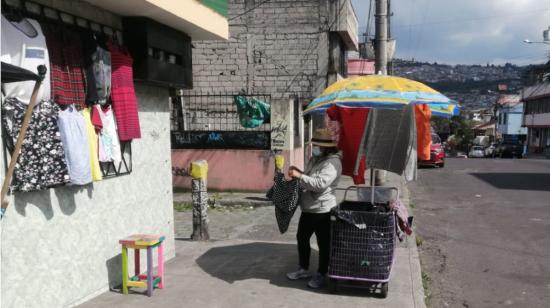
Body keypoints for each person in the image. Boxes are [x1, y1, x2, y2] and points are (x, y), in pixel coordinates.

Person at [286, 128, 342, 289]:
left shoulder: (333, 163)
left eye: (318, 145)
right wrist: (300, 173)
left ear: (327, 146)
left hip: (322, 210)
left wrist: (300, 176)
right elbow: (309, 177)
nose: (316, 147)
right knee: (302, 238)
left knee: (323, 244)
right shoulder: (316, 159)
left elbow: (319, 184)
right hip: (308, 208)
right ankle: (303, 268)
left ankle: (321, 274)